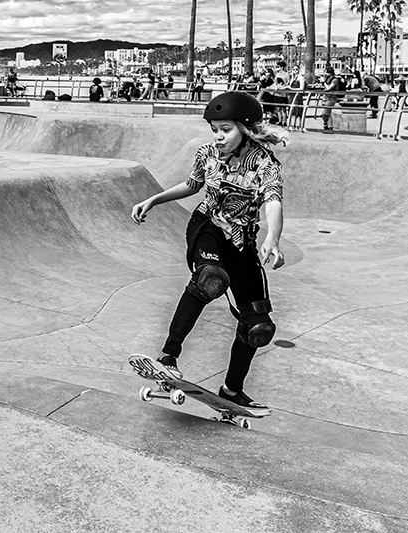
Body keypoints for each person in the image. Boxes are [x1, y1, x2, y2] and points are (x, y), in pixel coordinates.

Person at [131, 91, 287, 409]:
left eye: (225, 129)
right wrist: (153, 199)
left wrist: (272, 238)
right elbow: (193, 184)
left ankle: (232, 390)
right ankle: (169, 356)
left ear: (246, 128)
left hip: (242, 241)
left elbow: (273, 201)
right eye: (214, 129)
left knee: (259, 326)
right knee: (211, 279)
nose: (218, 136)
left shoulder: (266, 164)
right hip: (207, 228)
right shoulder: (207, 154)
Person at [321, 65, 345, 132]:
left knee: (325, 113)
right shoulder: (327, 79)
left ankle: (325, 124)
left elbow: (329, 88)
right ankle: (330, 126)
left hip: (332, 98)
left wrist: (323, 82)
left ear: (330, 73)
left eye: (326, 72)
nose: (324, 74)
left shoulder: (335, 80)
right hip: (326, 97)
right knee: (329, 113)